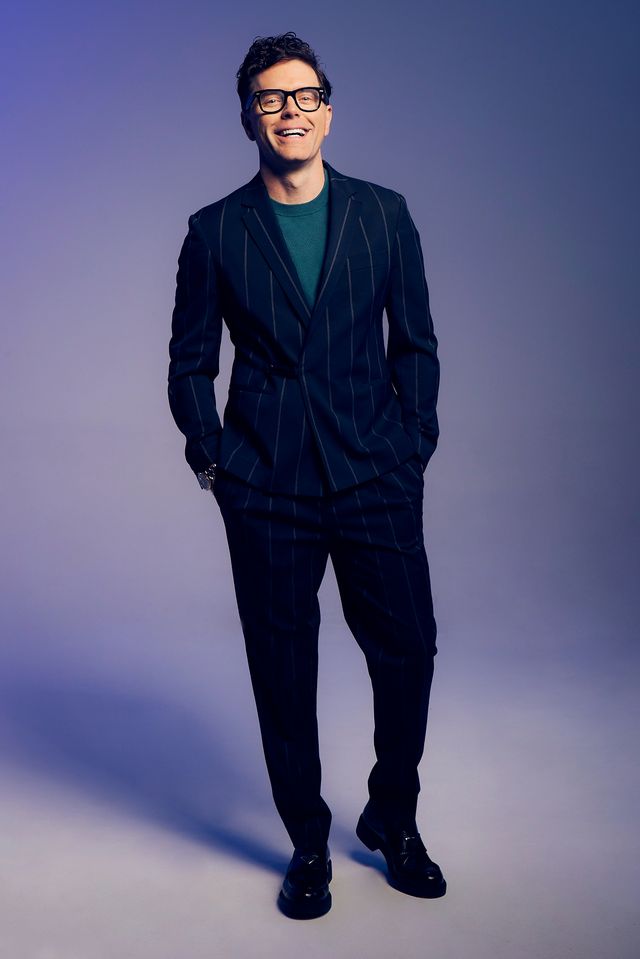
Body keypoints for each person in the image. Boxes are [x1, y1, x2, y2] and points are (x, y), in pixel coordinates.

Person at [168, 32, 446, 919]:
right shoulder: (215, 231)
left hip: (375, 474)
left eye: (306, 95)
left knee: (408, 650)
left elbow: (416, 344)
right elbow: (186, 364)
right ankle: (309, 842)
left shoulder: (384, 213)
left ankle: (391, 818)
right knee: (282, 669)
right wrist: (218, 462)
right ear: (249, 115)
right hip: (268, 485)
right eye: (272, 98)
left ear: (330, 107)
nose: (292, 111)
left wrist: (413, 446)